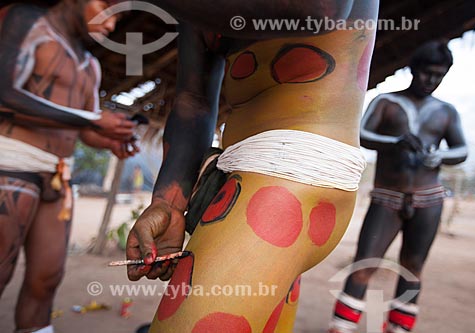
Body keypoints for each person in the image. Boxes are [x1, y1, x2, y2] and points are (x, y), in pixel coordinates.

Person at [126, 1, 379, 332]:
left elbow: (318, 12)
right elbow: (193, 101)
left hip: (289, 177)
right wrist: (168, 203)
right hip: (251, 184)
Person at [0, 1, 138, 332]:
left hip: (59, 175)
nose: (111, 23)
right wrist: (93, 119)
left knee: (46, 281)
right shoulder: (27, 20)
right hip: (11, 164)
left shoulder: (90, 64)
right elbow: (4, 94)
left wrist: (106, 139)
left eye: (119, 16)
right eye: (106, 6)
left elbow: (81, 128)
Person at [329, 41, 468, 333]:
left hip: (428, 200)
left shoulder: (446, 111)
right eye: (426, 73)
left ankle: (398, 328)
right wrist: (395, 142)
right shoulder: (386, 102)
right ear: (412, 70)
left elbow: (461, 150)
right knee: (365, 264)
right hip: (387, 198)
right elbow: (361, 134)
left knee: (413, 267)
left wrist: (439, 155)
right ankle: (341, 328)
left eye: (438, 75)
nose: (431, 80)